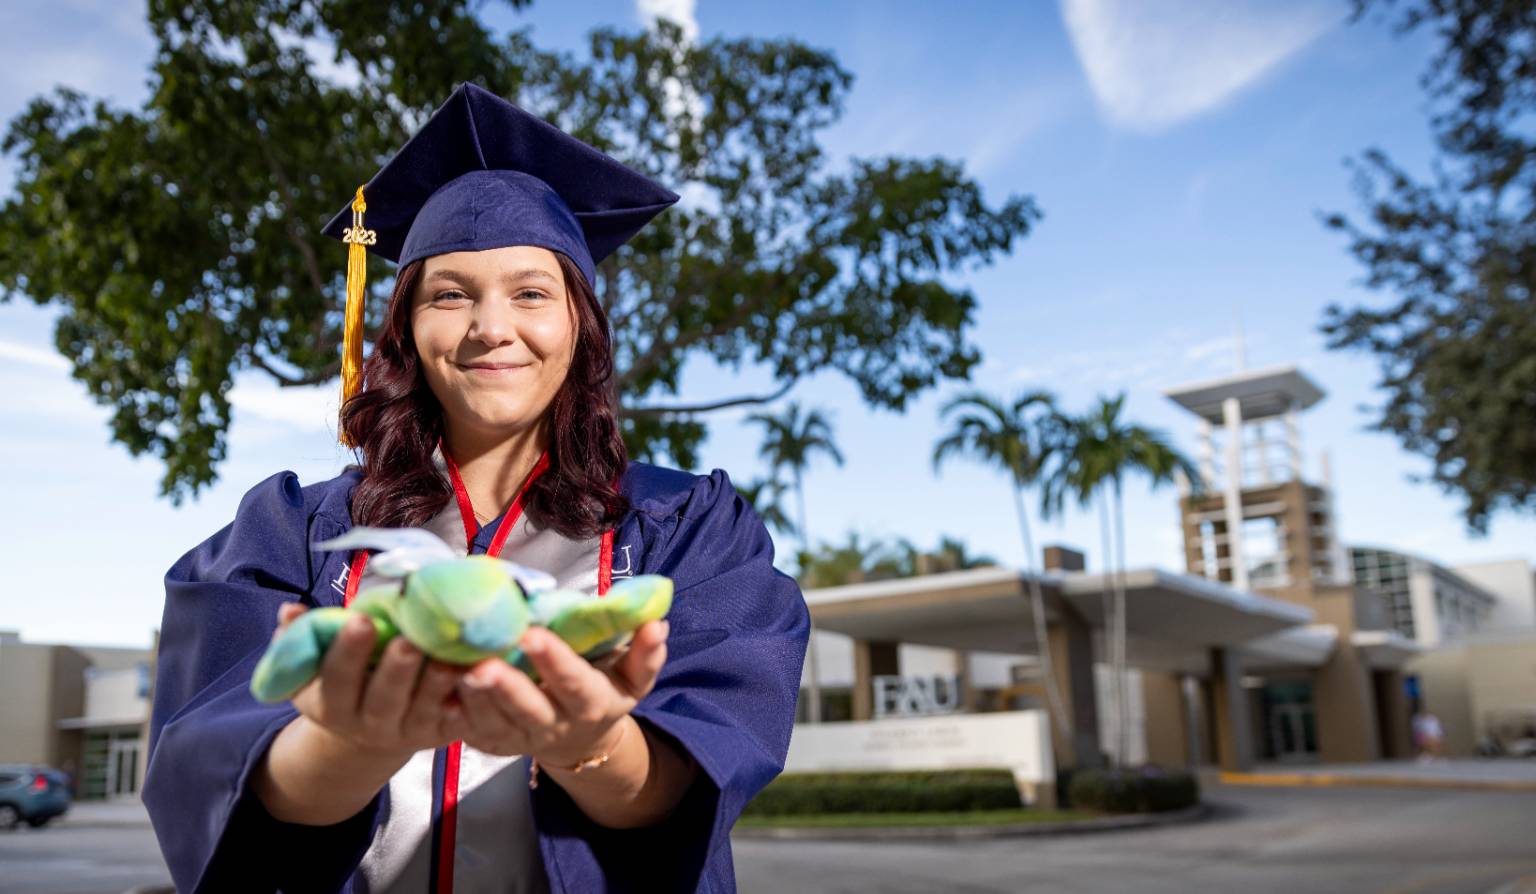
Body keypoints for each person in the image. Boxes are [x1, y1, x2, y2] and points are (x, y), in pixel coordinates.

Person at [142, 83, 810, 894]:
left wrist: (587, 742)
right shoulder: (297, 530)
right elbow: (209, 764)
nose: (491, 327)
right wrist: (352, 743)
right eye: (450, 294)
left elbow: (695, 769)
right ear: (408, 332)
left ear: (579, 325)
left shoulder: (686, 527)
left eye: (531, 292)